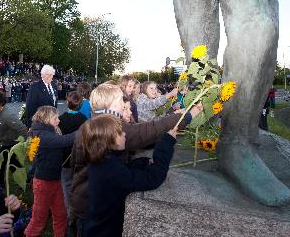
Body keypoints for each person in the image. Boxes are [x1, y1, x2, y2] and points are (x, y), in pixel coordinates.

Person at [68, 83, 202, 236]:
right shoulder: (111, 127)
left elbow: (75, 166)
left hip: (86, 200)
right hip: (92, 207)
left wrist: (140, 163)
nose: (126, 104)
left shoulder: (94, 125)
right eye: (120, 101)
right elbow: (145, 132)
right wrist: (185, 117)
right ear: (111, 104)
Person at [82, 115, 177, 236]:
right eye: (120, 133)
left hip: (95, 227)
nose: (125, 134)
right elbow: (152, 178)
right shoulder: (112, 170)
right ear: (109, 141)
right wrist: (166, 143)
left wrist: (143, 162)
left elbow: (125, 170)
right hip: (106, 231)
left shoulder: (101, 162)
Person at [24, 106, 76, 237]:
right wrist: (85, 130)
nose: (58, 120)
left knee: (60, 214)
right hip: (43, 183)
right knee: (39, 219)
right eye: (55, 118)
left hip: (54, 180)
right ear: (47, 119)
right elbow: (64, 141)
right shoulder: (42, 135)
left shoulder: (46, 131)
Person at [58, 92, 88, 214]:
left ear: (67, 103)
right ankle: (78, 209)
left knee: (66, 185)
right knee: (79, 183)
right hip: (79, 156)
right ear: (80, 105)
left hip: (65, 157)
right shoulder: (84, 119)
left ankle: (69, 211)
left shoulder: (61, 119)